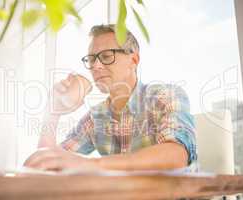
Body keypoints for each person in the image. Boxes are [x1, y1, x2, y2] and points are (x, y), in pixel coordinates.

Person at [24, 24, 197, 172]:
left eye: (106, 56)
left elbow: (176, 156)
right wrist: (52, 112)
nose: (96, 66)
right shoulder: (95, 117)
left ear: (134, 60)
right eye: (91, 59)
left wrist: (92, 164)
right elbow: (48, 163)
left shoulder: (165, 96)